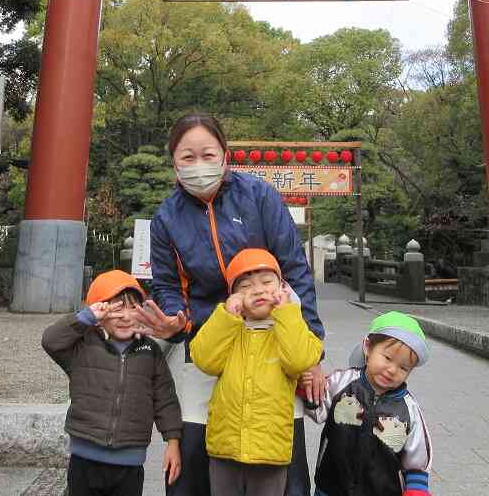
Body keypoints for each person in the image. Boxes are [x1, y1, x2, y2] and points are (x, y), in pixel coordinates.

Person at [133, 112, 325, 496]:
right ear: (173, 161)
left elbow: (295, 269)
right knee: (195, 461)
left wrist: (314, 351)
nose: (199, 165)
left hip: (274, 340)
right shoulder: (166, 218)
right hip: (209, 342)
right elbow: (168, 285)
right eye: (188, 157)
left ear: (225, 154)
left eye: (208, 154)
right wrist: (176, 318)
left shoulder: (260, 196)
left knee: (283, 461)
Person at [190, 249, 322, 496]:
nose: (258, 290)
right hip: (225, 448)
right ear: (233, 296)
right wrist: (226, 318)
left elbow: (299, 360)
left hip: (270, 452)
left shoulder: (291, 327)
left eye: (267, 282)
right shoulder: (229, 329)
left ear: (282, 287)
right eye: (246, 286)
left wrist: (287, 312)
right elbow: (204, 359)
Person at [42, 270, 183, 496]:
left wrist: (173, 441)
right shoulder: (82, 346)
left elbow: (165, 399)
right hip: (84, 458)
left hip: (130, 462)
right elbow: (50, 340)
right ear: (99, 313)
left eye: (133, 308)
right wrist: (85, 317)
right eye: (117, 309)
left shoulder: (150, 351)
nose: (126, 317)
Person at [308, 312, 433, 496]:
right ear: (368, 347)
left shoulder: (409, 409)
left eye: (403, 367)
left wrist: (417, 488)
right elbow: (316, 407)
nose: (392, 370)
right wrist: (306, 387)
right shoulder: (341, 382)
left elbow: (418, 457)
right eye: (387, 358)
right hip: (331, 485)